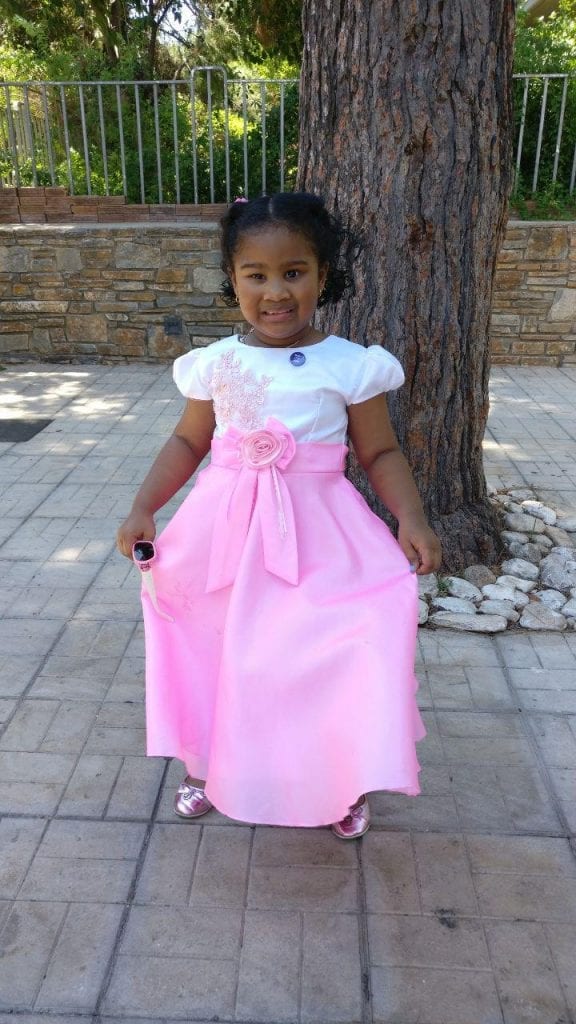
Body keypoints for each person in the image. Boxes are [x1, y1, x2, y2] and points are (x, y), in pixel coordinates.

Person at [116, 191, 441, 839]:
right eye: (255, 275)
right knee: (215, 645)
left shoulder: (350, 366)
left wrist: (411, 517)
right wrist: (145, 506)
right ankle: (210, 763)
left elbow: (378, 451)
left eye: (294, 272)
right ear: (233, 279)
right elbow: (188, 442)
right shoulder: (218, 363)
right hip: (225, 533)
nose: (276, 292)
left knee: (335, 646)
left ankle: (338, 776)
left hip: (319, 533)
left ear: (323, 275)